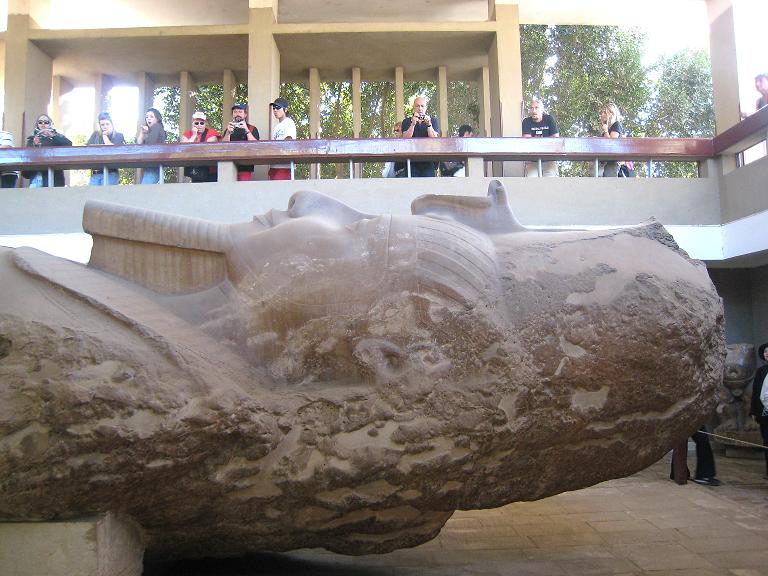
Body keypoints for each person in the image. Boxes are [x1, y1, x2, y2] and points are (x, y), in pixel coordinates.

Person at [24, 114, 72, 187]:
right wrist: (35, 145)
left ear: (50, 124)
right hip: (37, 174)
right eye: (40, 122)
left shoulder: (57, 136)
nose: (43, 124)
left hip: (55, 174)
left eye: (46, 122)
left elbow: (68, 144)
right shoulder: (32, 139)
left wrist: (52, 135)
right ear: (37, 124)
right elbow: (28, 156)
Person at [401, 95, 440, 177]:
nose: (420, 108)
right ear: (413, 107)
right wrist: (413, 124)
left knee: (428, 183)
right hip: (411, 161)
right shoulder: (406, 121)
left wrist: (429, 125)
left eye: (422, 106)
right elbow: (405, 139)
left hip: (428, 161)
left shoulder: (433, 121)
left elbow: (435, 139)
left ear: (426, 107)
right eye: (417, 106)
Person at [221, 103, 260, 182]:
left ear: (245, 114)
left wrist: (247, 130)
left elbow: (256, 146)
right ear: (232, 114)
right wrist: (228, 133)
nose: (237, 114)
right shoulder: (229, 129)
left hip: (245, 166)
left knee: (244, 188)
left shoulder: (252, 128)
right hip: (229, 165)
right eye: (235, 112)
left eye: (240, 111)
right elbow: (223, 146)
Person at [86, 112, 126, 186]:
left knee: (106, 193)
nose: (105, 126)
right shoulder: (95, 135)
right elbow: (87, 150)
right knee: (91, 192)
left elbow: (113, 150)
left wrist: (104, 136)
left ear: (112, 124)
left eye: (107, 124)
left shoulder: (119, 135)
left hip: (111, 173)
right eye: (102, 125)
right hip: (96, 173)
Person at [522, 99, 559, 177]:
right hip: (532, 160)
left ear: (542, 110)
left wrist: (536, 141)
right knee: (531, 178)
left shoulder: (549, 119)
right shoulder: (526, 122)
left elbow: (556, 139)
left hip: (549, 159)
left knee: (551, 179)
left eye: (536, 108)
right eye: (531, 108)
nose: (534, 111)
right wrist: (547, 140)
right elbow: (527, 141)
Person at [180, 111, 220, 183]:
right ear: (193, 124)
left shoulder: (211, 132)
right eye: (196, 123)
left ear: (205, 124)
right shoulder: (187, 134)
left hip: (210, 170)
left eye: (202, 123)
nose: (199, 125)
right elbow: (184, 148)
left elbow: (207, 148)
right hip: (195, 169)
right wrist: (194, 135)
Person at [268, 97, 297, 181]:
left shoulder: (289, 122)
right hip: (274, 165)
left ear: (285, 109)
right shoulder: (276, 127)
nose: (275, 110)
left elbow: (288, 141)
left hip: (285, 166)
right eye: (274, 108)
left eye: (278, 108)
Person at [136, 108, 166, 184]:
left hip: (154, 166)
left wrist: (148, 133)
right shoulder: (152, 130)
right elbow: (138, 145)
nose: (148, 118)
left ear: (157, 119)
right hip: (152, 166)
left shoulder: (156, 127)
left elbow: (150, 145)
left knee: (144, 189)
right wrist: (142, 133)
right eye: (147, 117)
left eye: (151, 116)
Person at [752, 343, 768, 478]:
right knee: (766, 440)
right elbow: (756, 392)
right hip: (765, 413)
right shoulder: (761, 371)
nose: (767, 353)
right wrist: (754, 411)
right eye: (765, 352)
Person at [598, 102, 623, 177]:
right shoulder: (608, 128)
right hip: (604, 161)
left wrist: (605, 131)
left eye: (605, 112)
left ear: (611, 114)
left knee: (609, 181)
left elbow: (611, 143)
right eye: (602, 112)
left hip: (612, 161)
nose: (602, 115)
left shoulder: (616, 125)